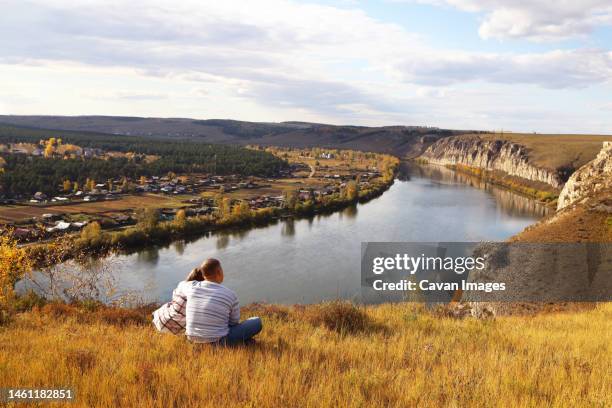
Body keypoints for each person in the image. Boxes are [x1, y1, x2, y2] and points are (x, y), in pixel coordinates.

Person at [152, 266, 205, 334]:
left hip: (160, 321)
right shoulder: (198, 294)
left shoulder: (182, 284)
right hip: (173, 329)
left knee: (170, 305)